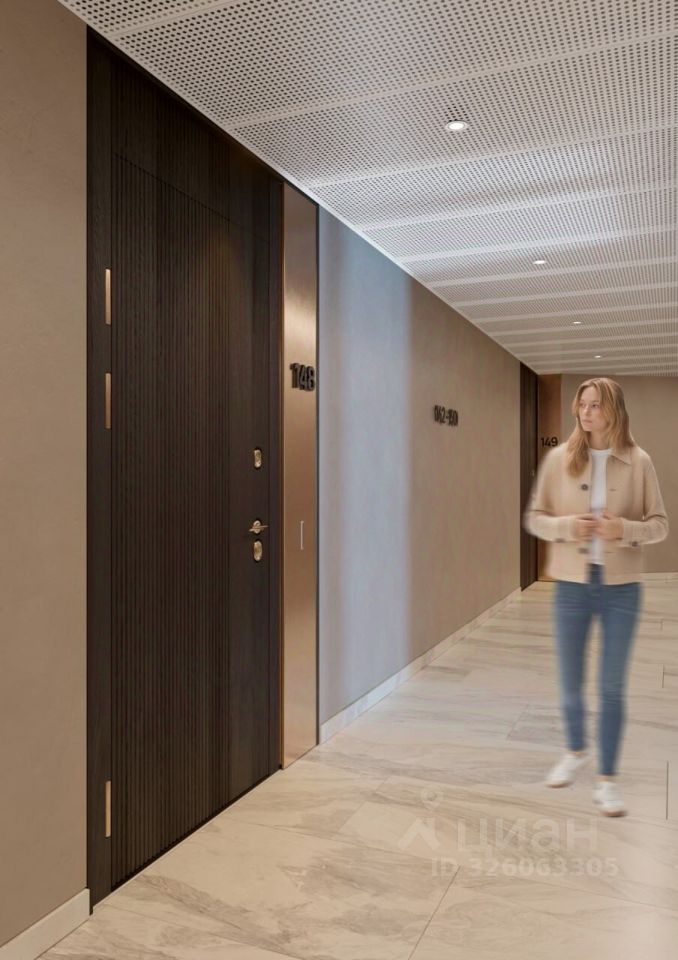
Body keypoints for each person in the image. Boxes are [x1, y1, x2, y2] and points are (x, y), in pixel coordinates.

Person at [523, 377, 668, 816]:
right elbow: (534, 518)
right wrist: (570, 526)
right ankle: (574, 750)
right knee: (570, 682)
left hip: (622, 590)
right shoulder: (558, 460)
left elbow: (660, 524)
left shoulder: (639, 461)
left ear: (614, 410)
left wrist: (622, 529)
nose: (585, 413)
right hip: (571, 586)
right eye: (581, 405)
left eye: (594, 405)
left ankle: (606, 779)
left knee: (611, 687)